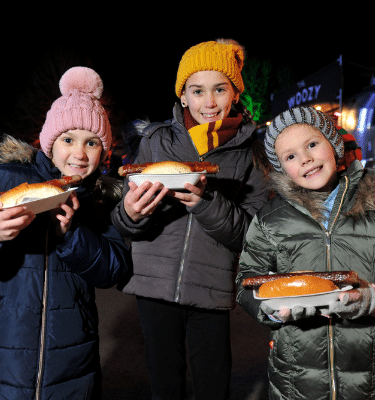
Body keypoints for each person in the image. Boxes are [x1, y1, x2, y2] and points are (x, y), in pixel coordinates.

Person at [111, 39, 269, 400]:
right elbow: (124, 219)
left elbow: (252, 236)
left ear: (234, 95)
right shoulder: (155, 141)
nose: (208, 102)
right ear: (183, 96)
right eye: (197, 91)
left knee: (214, 387)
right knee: (164, 385)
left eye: (219, 89)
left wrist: (206, 201)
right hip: (154, 286)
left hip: (210, 289)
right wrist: (131, 214)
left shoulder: (251, 154)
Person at [0, 66, 131, 399]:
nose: (79, 153)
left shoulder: (101, 198)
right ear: (49, 144)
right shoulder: (3, 180)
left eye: (92, 142)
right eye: (68, 139)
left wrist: (71, 235)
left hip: (72, 360)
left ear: (103, 151)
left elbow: (114, 269)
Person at [236, 106, 375, 400]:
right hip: (296, 379)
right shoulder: (270, 219)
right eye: (290, 156)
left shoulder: (373, 203)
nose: (306, 159)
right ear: (282, 167)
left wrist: (370, 299)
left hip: (368, 375)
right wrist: (268, 308)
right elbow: (246, 280)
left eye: (312, 144)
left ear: (334, 145)